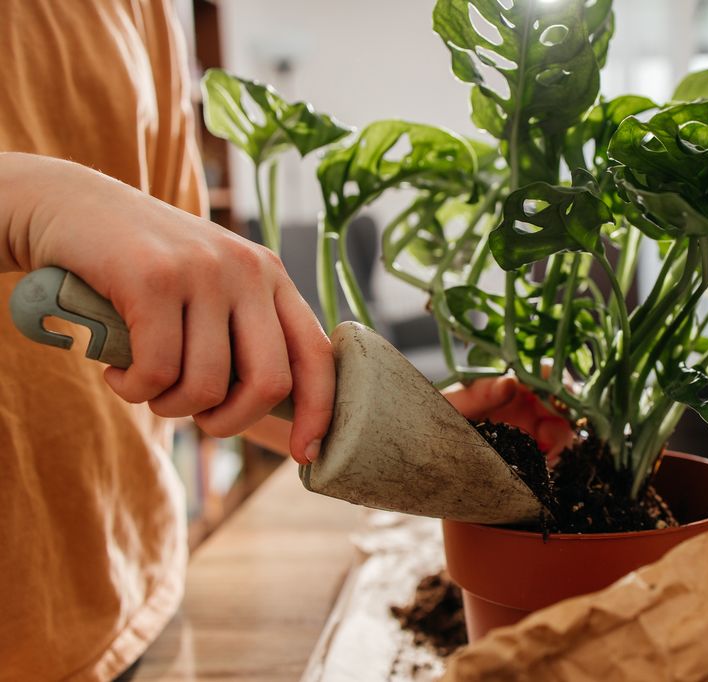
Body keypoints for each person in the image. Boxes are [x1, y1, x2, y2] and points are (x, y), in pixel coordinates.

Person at [0, 2, 571, 680]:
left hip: (122, 589)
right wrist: (27, 198)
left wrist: (403, 431)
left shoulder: (134, 11)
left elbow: (204, 342)